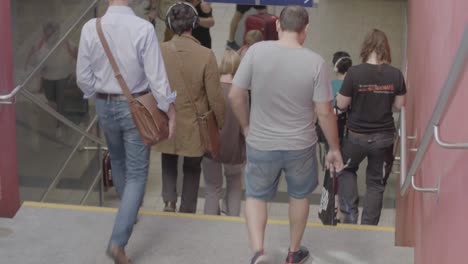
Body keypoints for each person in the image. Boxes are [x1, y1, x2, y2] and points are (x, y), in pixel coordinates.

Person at [229, 6, 344, 264]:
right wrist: (334, 148)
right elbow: (325, 112)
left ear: (278, 25)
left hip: (261, 142)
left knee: (256, 196)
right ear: (306, 30)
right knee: (299, 196)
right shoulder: (315, 62)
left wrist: (247, 127)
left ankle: (259, 251)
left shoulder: (256, 52)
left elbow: (235, 95)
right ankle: (293, 253)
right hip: (300, 146)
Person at [76, 0, 177, 262]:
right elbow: (157, 78)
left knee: (117, 159)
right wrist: (169, 109)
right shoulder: (142, 28)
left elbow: (83, 77)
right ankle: (118, 242)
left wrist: (95, 94)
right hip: (136, 108)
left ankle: (128, 213)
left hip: (103, 104)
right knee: (137, 174)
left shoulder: (91, 27)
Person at [155, 1, 225, 214]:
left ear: (170, 24)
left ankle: (168, 201)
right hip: (196, 121)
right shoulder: (206, 54)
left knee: (168, 158)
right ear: (194, 24)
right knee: (192, 167)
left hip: (167, 116)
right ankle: (187, 209)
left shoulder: (159, 50)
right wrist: (220, 122)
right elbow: (215, 95)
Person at [336, 29, 406, 225]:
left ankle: (349, 216)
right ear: (386, 49)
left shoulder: (354, 73)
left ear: (366, 48)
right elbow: (399, 106)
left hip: (356, 136)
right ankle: (368, 226)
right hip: (383, 138)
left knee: (346, 170)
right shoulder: (396, 74)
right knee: (376, 183)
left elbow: (341, 104)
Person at [202, 50, 245, 216]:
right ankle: (233, 219)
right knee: (234, 182)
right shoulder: (241, 92)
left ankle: (210, 223)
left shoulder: (211, 90)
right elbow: (244, 124)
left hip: (211, 146)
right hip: (234, 147)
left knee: (213, 188)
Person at [25, 21, 78, 138]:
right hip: (47, 78)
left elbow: (77, 54)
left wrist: (76, 71)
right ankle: (59, 120)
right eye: (47, 34)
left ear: (57, 33)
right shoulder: (39, 45)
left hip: (64, 76)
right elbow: (30, 61)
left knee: (60, 99)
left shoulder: (66, 43)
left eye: (52, 34)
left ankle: (60, 126)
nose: (50, 37)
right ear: (44, 33)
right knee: (51, 100)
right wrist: (31, 70)